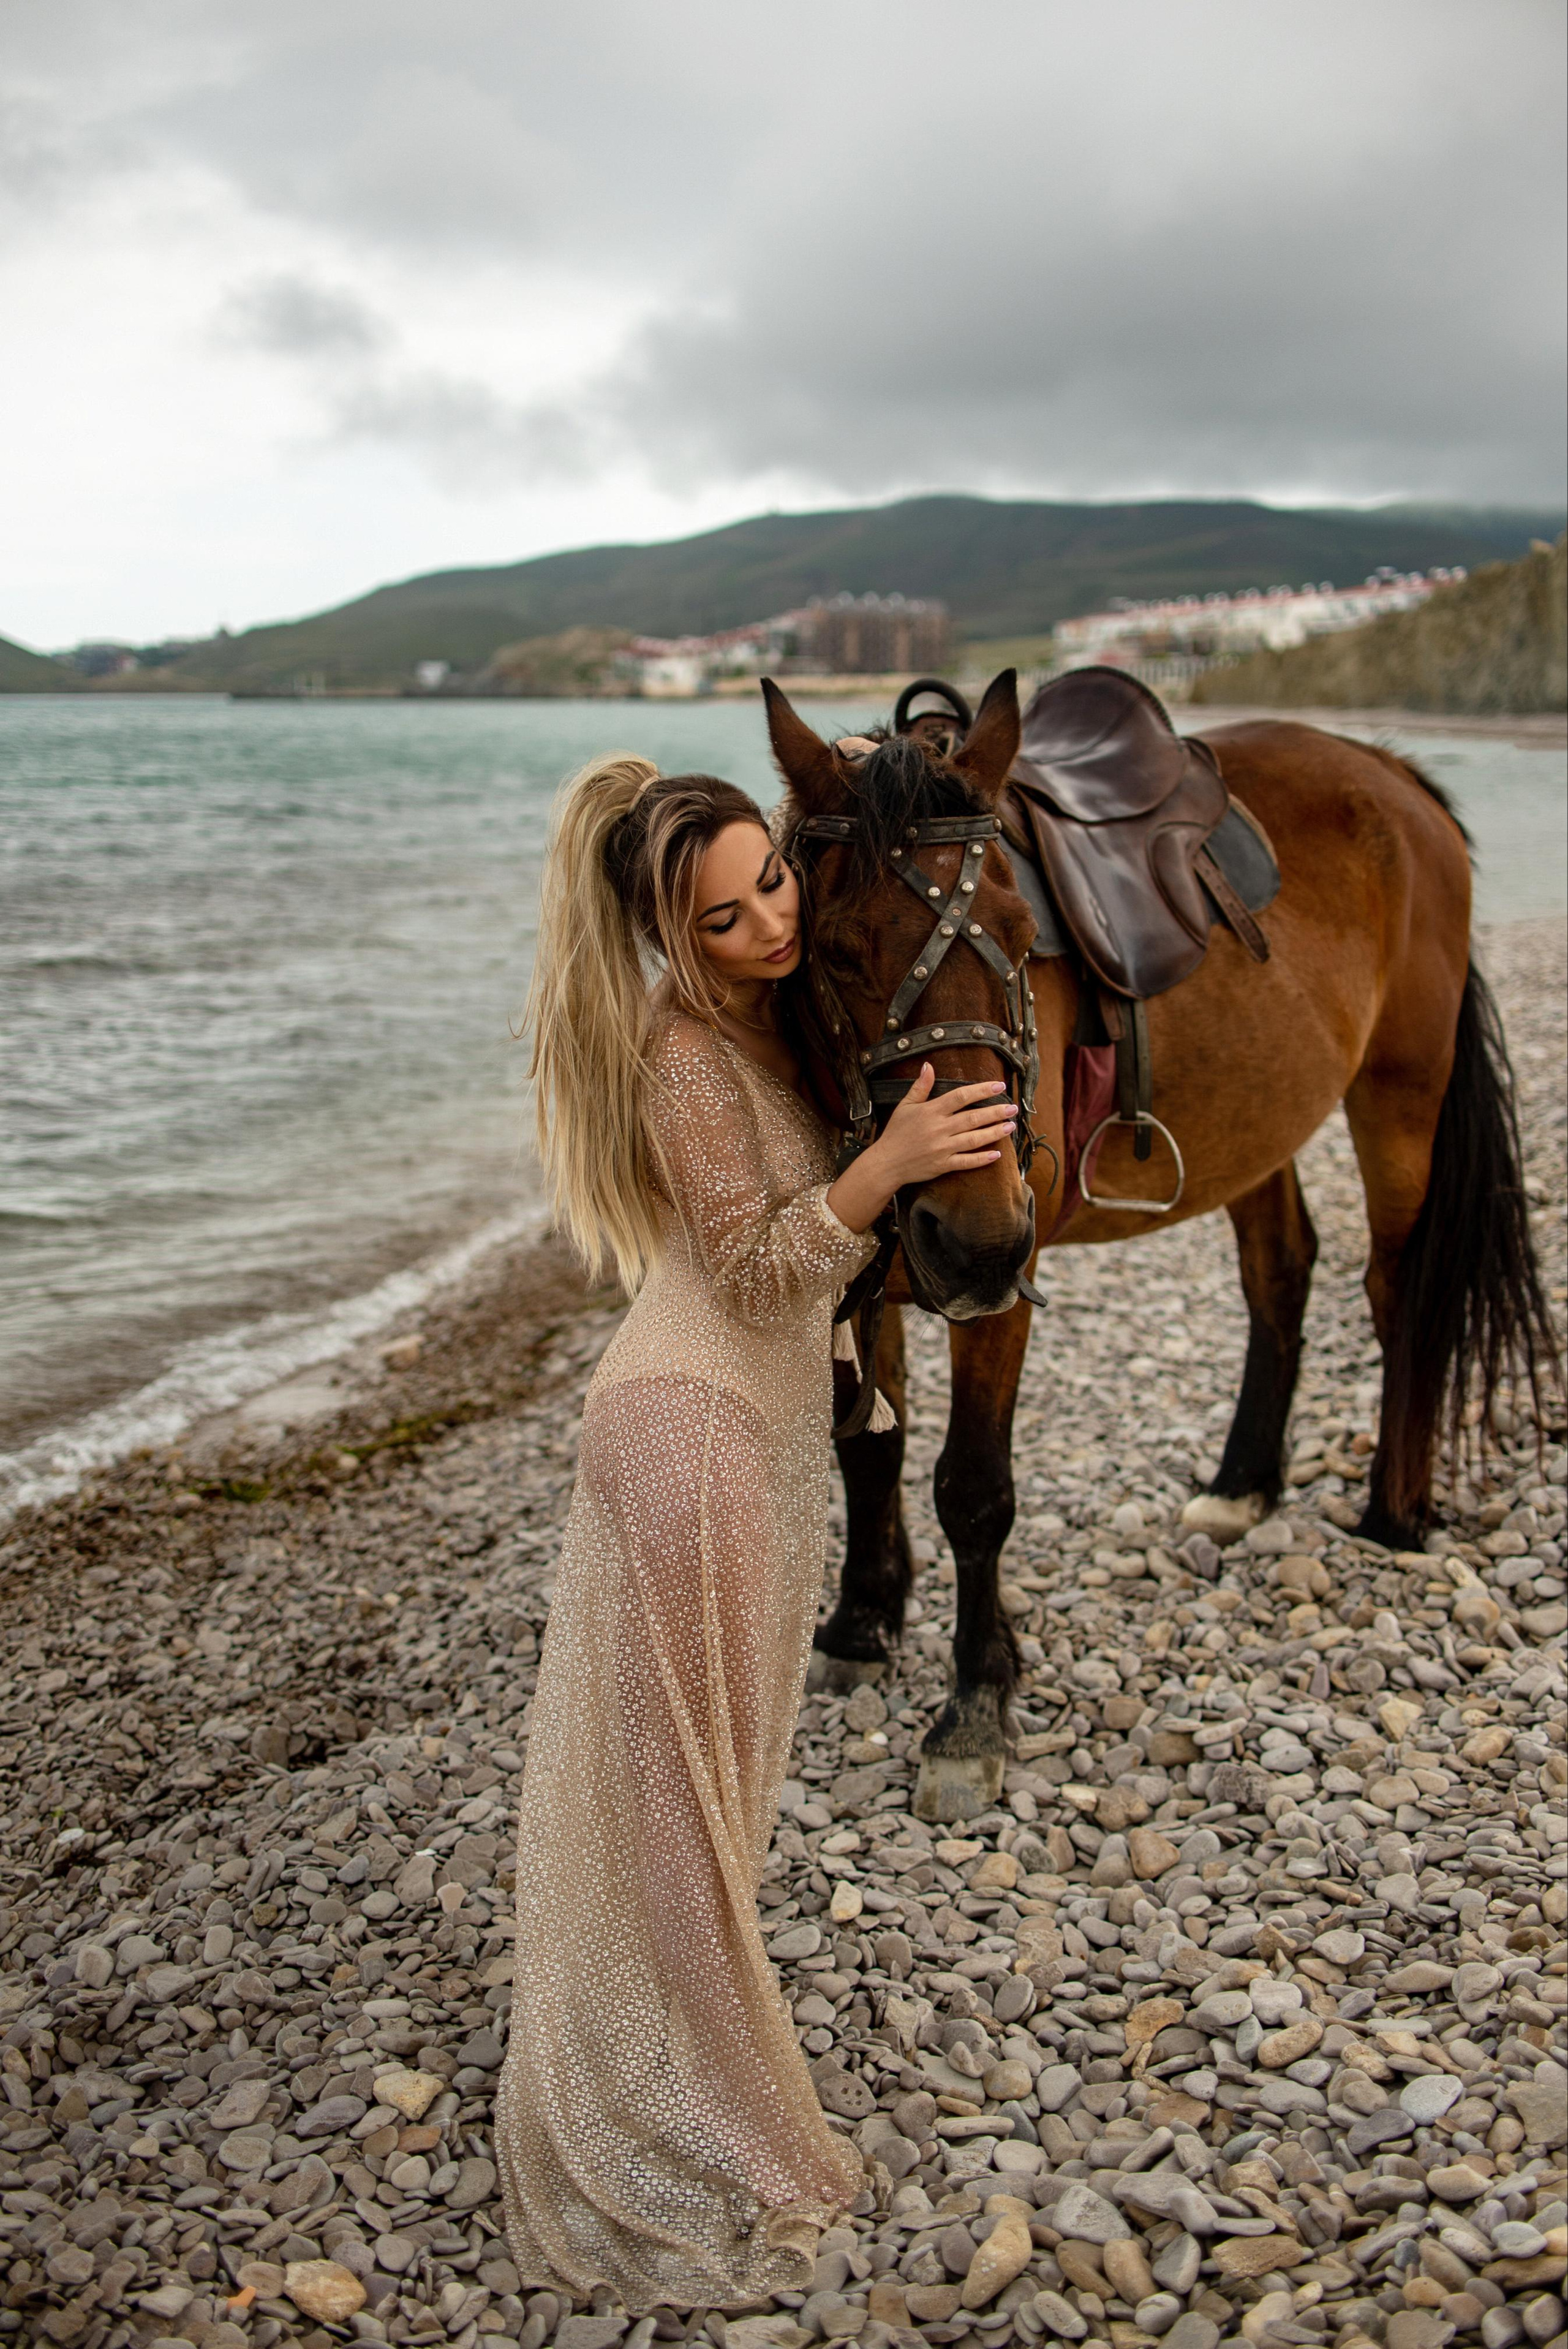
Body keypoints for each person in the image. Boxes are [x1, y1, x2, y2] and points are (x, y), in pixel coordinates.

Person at [494, 756, 1017, 2313]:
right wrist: (889, 1171)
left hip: (739, 1436)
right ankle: (707, 2119)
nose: (769, 924)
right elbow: (759, 1269)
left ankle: (676, 2056)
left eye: (772, 884)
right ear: (671, 934)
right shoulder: (676, 1054)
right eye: (724, 918)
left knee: (712, 1786)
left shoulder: (763, 1022)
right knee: (689, 1807)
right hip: (691, 1431)